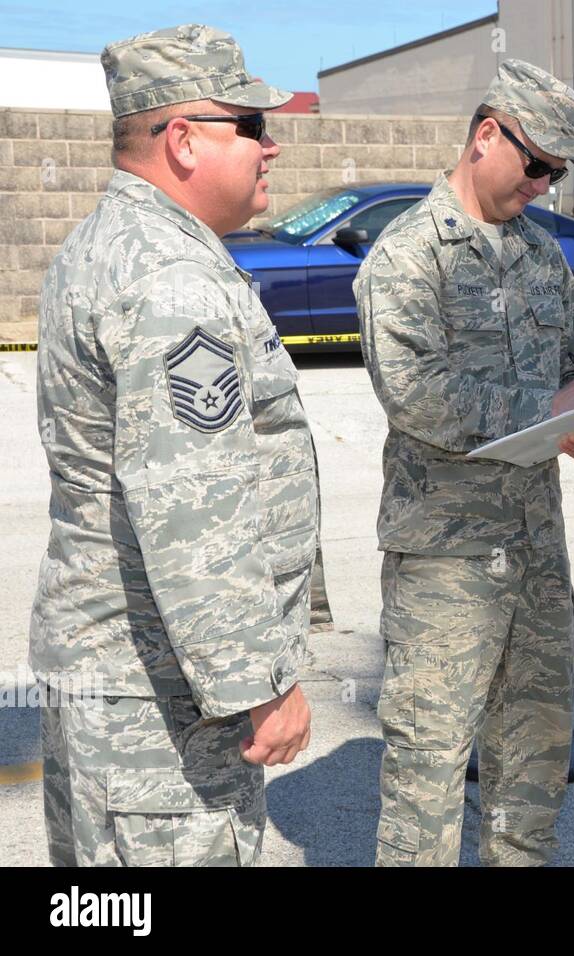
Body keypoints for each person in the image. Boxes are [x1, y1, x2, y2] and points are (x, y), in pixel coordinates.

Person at [32, 24, 317, 866]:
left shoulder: (112, 244)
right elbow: (194, 509)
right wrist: (259, 687)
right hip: (163, 706)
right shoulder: (170, 278)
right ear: (184, 140)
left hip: (119, 683)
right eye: (252, 126)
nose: (272, 145)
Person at [354, 59, 574, 866]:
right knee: (426, 780)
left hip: (535, 549)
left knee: (532, 770)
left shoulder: (541, 258)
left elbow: (572, 369)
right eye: (534, 163)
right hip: (446, 560)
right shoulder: (408, 256)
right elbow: (415, 393)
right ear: (485, 135)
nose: (542, 184)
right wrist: (550, 411)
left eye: (556, 173)